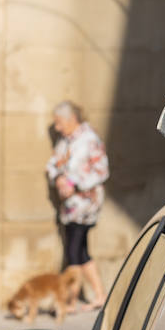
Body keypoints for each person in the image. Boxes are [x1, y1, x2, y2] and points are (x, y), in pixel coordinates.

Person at [45, 100, 109, 308]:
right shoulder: (65, 141)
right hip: (70, 204)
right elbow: (53, 164)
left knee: (73, 250)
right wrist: (59, 179)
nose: (57, 128)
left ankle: (70, 300)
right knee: (80, 250)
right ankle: (99, 295)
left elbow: (102, 170)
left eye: (59, 122)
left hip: (85, 203)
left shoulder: (90, 139)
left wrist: (75, 184)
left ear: (71, 119)